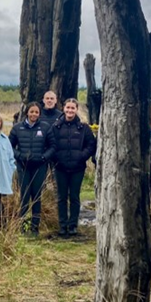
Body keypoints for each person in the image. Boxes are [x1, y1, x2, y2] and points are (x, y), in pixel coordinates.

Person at [51, 98, 97, 237]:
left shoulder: (83, 127)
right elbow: (50, 144)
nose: (70, 110)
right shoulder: (56, 126)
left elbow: (91, 145)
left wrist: (81, 156)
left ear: (76, 110)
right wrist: (57, 158)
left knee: (75, 197)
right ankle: (62, 225)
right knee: (61, 197)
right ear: (63, 108)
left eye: (73, 108)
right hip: (60, 167)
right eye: (68, 108)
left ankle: (73, 226)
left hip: (78, 167)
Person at [9, 102, 55, 236]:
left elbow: (52, 146)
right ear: (27, 113)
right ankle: (22, 226)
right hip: (23, 167)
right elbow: (9, 146)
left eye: (36, 112)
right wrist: (19, 156)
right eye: (31, 112)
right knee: (24, 196)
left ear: (39, 114)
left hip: (39, 166)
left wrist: (43, 158)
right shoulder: (17, 128)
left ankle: (34, 227)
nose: (34, 114)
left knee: (36, 196)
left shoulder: (45, 128)